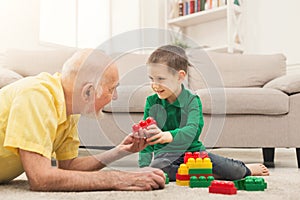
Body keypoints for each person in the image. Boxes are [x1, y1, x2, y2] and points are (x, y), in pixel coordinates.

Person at [0, 49, 165, 191]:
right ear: (88, 92)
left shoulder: (67, 108)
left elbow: (69, 166)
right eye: (112, 89)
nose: (115, 97)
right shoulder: (36, 95)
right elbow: (40, 178)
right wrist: (119, 178)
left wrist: (121, 150)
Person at [138, 45, 269, 181]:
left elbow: (193, 130)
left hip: (195, 153)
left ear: (180, 76)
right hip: (165, 156)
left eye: (160, 79)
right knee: (157, 169)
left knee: (235, 172)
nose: (154, 85)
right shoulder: (152, 102)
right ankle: (204, 174)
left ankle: (246, 168)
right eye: (151, 79)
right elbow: (146, 139)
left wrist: (169, 136)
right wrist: (144, 167)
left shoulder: (192, 100)